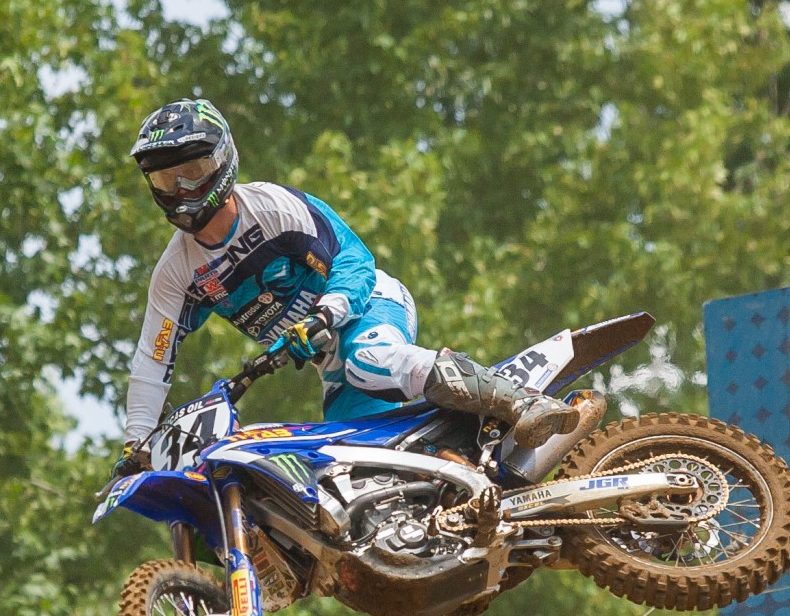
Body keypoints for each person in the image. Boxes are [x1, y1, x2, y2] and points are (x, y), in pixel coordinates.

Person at [119, 98, 582, 468]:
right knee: (352, 463)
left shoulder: (276, 209)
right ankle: (459, 482)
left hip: (371, 306)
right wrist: (135, 444)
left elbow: (355, 261)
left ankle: (522, 403)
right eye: (165, 177)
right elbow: (152, 360)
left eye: (193, 172)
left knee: (369, 359)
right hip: (330, 362)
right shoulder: (177, 274)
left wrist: (325, 315)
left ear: (222, 161)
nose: (181, 190)